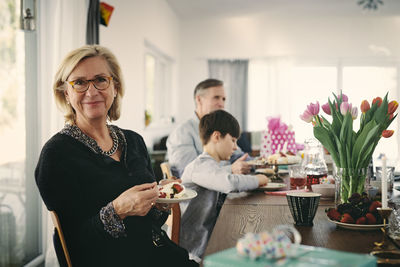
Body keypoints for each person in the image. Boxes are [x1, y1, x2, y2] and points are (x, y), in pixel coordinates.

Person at [35, 45, 198, 267]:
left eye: (101, 79)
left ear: (114, 87)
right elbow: (73, 247)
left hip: (159, 255)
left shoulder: (134, 141)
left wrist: (160, 202)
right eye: (80, 83)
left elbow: (150, 223)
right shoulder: (56, 155)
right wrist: (118, 210)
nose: (91, 92)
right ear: (66, 92)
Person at [179, 110, 269, 263]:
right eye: (233, 140)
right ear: (216, 137)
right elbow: (229, 183)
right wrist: (258, 180)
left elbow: (219, 174)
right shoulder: (199, 166)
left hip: (205, 240)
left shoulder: (209, 166)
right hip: (193, 250)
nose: (235, 147)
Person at [166, 79, 251, 177]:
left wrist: (262, 163)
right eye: (216, 97)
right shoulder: (181, 133)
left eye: (223, 99)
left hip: (225, 188)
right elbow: (190, 173)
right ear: (199, 100)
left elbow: (240, 157)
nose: (221, 103)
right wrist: (231, 169)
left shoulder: (222, 128)